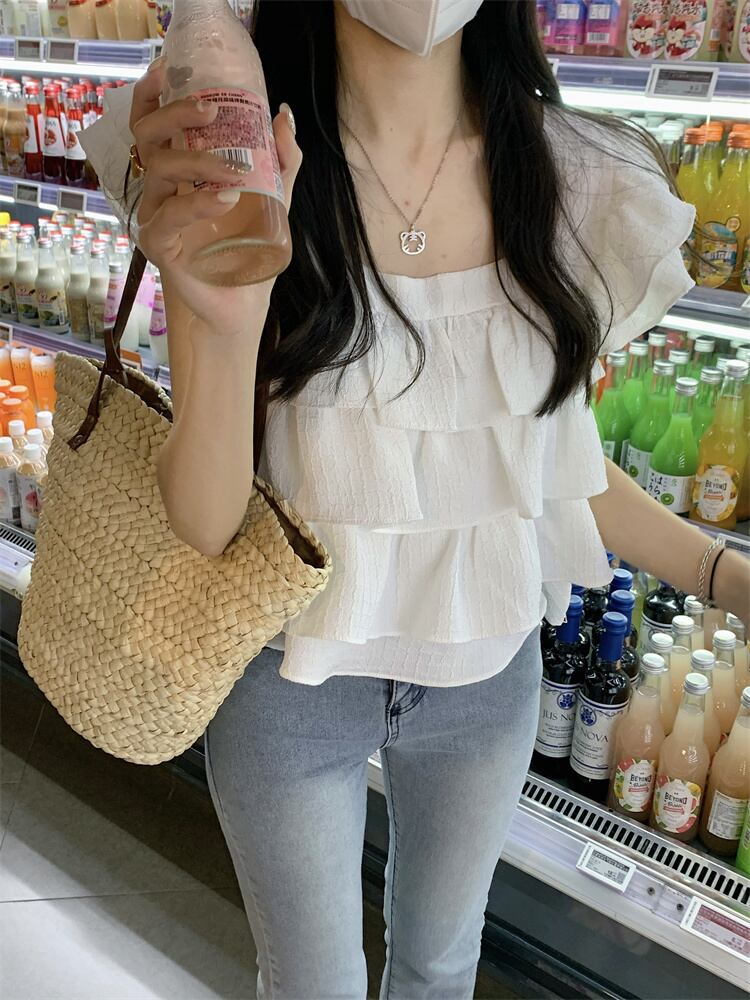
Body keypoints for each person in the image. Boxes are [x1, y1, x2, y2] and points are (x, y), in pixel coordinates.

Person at [81, 2, 750, 997]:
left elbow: (540, 461)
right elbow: (209, 521)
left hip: (489, 678)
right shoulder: (240, 157)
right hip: (288, 675)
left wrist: (723, 575)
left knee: (440, 968)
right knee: (313, 984)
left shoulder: (577, 177)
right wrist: (223, 316)